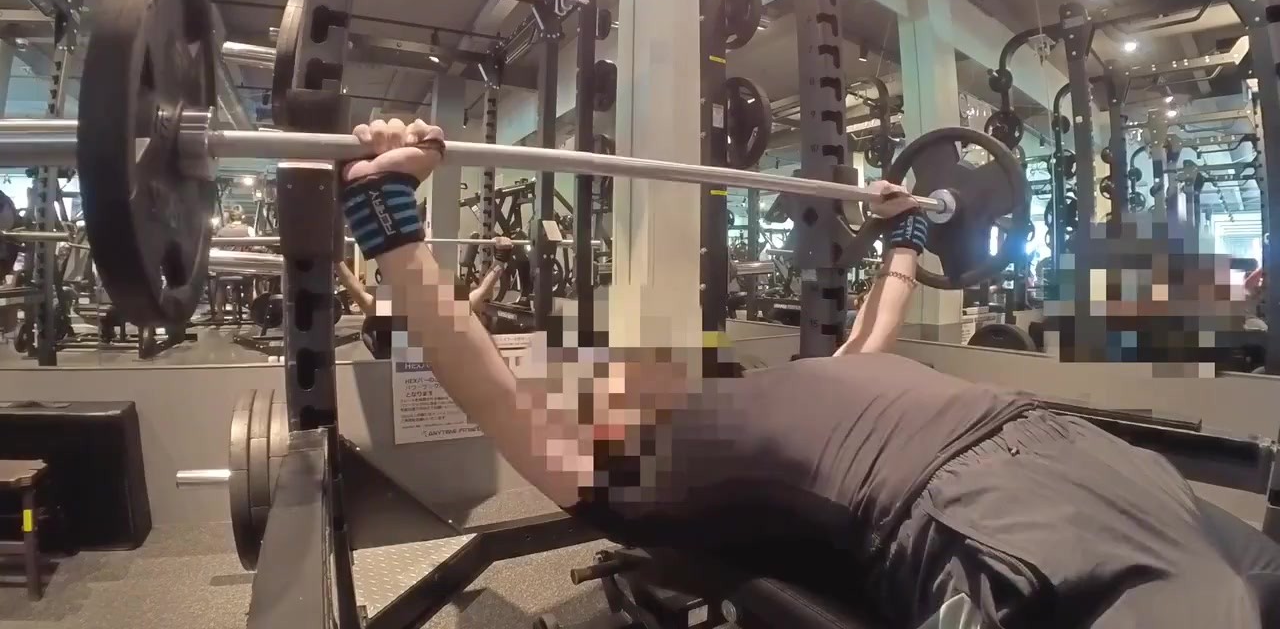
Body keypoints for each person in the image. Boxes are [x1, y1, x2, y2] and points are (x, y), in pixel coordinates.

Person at [339, 118, 1279, 629]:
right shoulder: (631, 479)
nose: (627, 374)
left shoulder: (806, 384)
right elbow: (492, 392)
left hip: (1075, 454)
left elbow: (873, 336)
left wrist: (904, 239)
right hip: (974, 509)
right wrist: (394, 224)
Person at [336, 234, 515, 359]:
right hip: (391, 350)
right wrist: (335, 260)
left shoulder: (438, 308)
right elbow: (361, 296)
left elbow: (478, 295)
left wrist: (501, 258)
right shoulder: (392, 310)